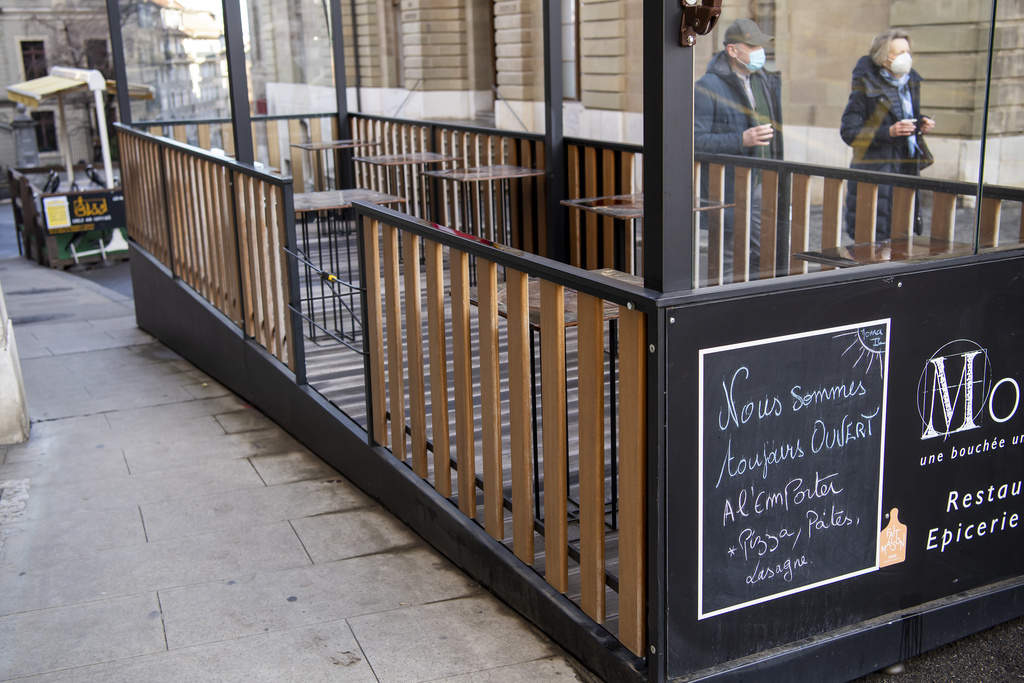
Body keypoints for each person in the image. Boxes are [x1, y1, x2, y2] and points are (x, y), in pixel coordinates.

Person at [694, 17, 784, 281]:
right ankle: (719, 309)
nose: (760, 53)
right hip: (729, 188)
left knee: (763, 251)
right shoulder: (707, 86)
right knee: (728, 255)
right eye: (752, 46)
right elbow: (695, 140)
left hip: (762, 183)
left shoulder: (764, 82)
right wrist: (741, 139)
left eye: (760, 46)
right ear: (733, 50)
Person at [840, 29, 935, 242]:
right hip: (876, 173)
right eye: (900, 51)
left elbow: (905, 117)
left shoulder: (910, 83)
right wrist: (888, 132)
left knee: (903, 240)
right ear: (884, 58)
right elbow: (849, 132)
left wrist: (921, 123)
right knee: (873, 244)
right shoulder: (865, 88)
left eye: (908, 51)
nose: (906, 57)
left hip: (906, 170)